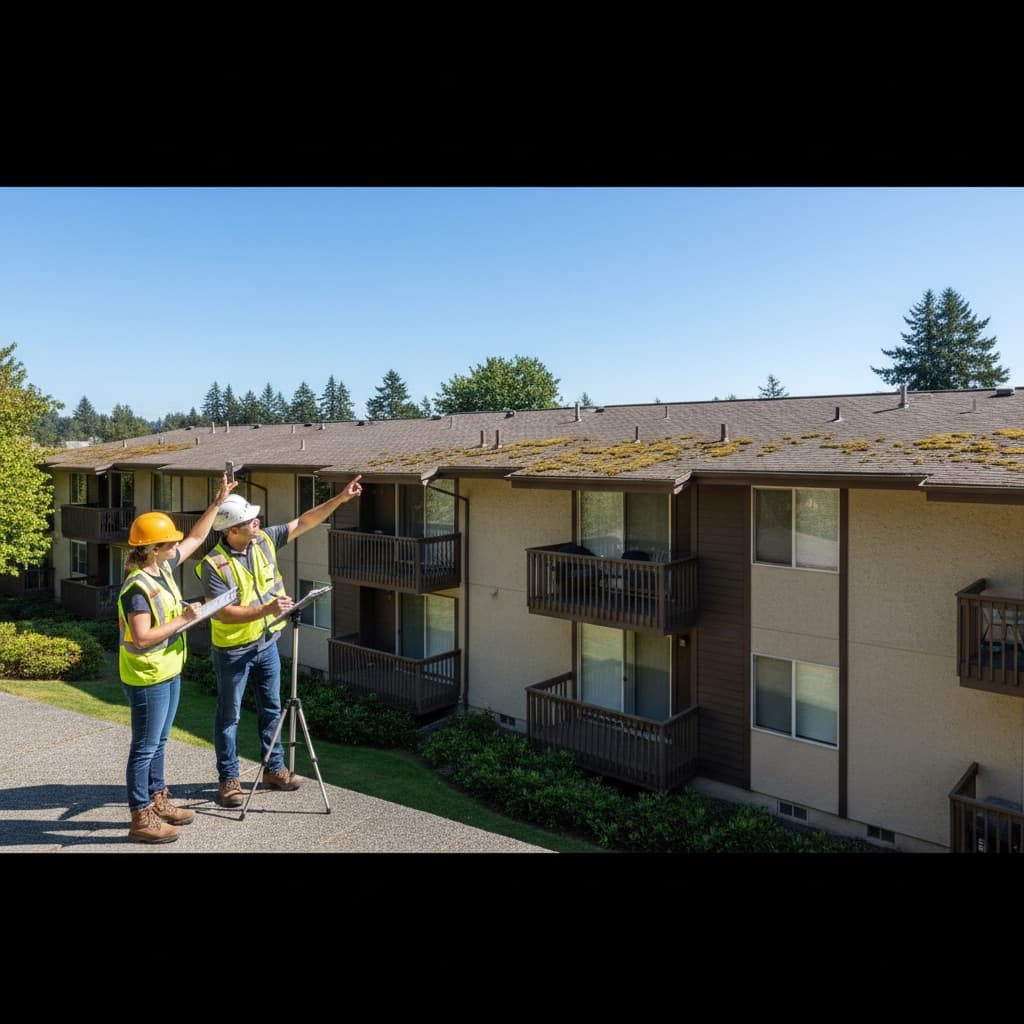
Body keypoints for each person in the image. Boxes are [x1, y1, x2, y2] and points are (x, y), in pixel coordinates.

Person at [197, 474, 363, 808]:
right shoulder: (214, 564)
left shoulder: (264, 540)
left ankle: (274, 770)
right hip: (233, 651)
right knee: (228, 716)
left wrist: (341, 499)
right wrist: (267, 609)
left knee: (272, 708)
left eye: (255, 518)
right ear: (231, 530)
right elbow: (224, 613)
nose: (256, 521)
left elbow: (305, 520)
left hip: (267, 644)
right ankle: (228, 780)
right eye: (248, 521)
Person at [118, 472, 238, 844]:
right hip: (148, 675)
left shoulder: (162, 569)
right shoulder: (137, 588)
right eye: (169, 542)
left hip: (168, 670)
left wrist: (218, 501)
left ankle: (158, 800)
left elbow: (198, 537)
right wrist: (184, 619)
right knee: (145, 747)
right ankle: (141, 817)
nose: (176, 545)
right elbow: (141, 636)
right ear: (153, 549)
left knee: (160, 741)